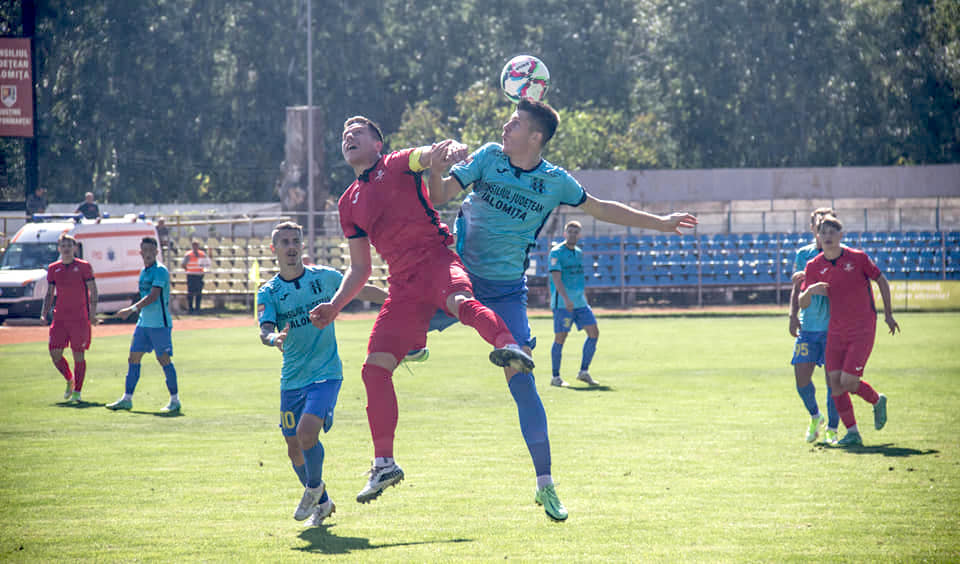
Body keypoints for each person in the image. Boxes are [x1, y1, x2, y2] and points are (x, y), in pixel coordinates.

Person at [428, 98, 698, 520]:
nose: (505, 127)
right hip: (457, 276)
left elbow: (602, 208)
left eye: (514, 123)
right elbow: (439, 193)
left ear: (535, 137)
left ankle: (545, 485)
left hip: (504, 293)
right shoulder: (486, 157)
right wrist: (433, 164)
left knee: (522, 382)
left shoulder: (555, 181)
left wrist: (660, 222)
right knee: (398, 332)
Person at [308, 115, 535, 508]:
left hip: (436, 260)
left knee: (460, 304)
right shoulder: (347, 203)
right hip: (402, 286)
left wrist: (447, 150)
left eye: (358, 132)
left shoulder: (395, 162)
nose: (349, 137)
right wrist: (335, 306)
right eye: (345, 134)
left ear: (378, 144)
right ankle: (384, 464)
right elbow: (360, 268)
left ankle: (510, 345)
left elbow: (429, 155)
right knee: (374, 369)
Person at [258, 221, 387, 526]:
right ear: (274, 249)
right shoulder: (270, 292)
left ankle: (313, 489)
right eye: (284, 242)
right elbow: (264, 329)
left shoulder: (325, 277)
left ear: (303, 245)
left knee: (306, 434)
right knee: (293, 449)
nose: (291, 247)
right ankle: (323, 502)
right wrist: (273, 339)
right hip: (291, 379)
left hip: (326, 374)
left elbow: (358, 288)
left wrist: (394, 298)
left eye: (295, 241)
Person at [799, 215, 900, 447]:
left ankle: (876, 400)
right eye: (823, 233)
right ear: (818, 236)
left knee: (848, 381)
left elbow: (881, 280)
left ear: (841, 236)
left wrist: (888, 314)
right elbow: (804, 303)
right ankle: (853, 433)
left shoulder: (858, 258)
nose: (827, 236)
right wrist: (809, 292)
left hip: (862, 327)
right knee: (835, 384)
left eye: (832, 232)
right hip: (835, 329)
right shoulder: (814, 266)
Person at [106, 236, 182, 414]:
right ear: (140, 252)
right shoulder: (143, 271)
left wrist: (131, 309)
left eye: (151, 250)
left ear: (156, 252)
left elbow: (153, 296)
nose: (147, 254)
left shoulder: (160, 271)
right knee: (133, 359)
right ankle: (127, 398)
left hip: (159, 325)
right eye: (144, 250)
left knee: (163, 360)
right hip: (144, 324)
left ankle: (175, 400)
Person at [788, 208, 840, 444]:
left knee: (833, 382)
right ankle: (815, 416)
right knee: (801, 377)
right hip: (809, 328)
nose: (823, 230)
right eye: (819, 225)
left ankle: (832, 428)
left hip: (833, 328)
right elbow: (797, 287)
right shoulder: (803, 254)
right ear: (813, 229)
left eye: (828, 225)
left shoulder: (841, 255)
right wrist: (792, 315)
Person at [40, 233, 98, 403]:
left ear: (75, 248)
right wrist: (44, 313)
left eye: (69, 245)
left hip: (79, 318)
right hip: (60, 318)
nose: (66, 248)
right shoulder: (53, 268)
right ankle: (69, 379)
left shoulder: (84, 266)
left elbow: (93, 290)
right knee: (55, 353)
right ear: (59, 248)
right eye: (63, 245)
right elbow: (50, 293)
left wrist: (92, 314)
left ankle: (77, 392)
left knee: (78, 355)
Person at [548, 220, 600, 387]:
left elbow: (577, 278)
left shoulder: (578, 253)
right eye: (569, 231)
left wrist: (582, 297)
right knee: (561, 338)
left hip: (580, 303)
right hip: (563, 304)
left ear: (580, 235)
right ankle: (555, 377)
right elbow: (556, 278)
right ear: (564, 234)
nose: (572, 234)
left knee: (594, 333)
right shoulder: (556, 252)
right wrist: (566, 299)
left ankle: (583, 372)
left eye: (575, 232)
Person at [181, 240, 210, 314]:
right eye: (194, 245)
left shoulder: (202, 254)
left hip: (199, 276)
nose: (195, 247)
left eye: (196, 245)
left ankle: (198, 309)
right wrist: (188, 270)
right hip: (191, 275)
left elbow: (207, 263)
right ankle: (190, 309)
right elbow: (183, 264)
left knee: (199, 293)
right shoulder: (189, 254)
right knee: (190, 293)